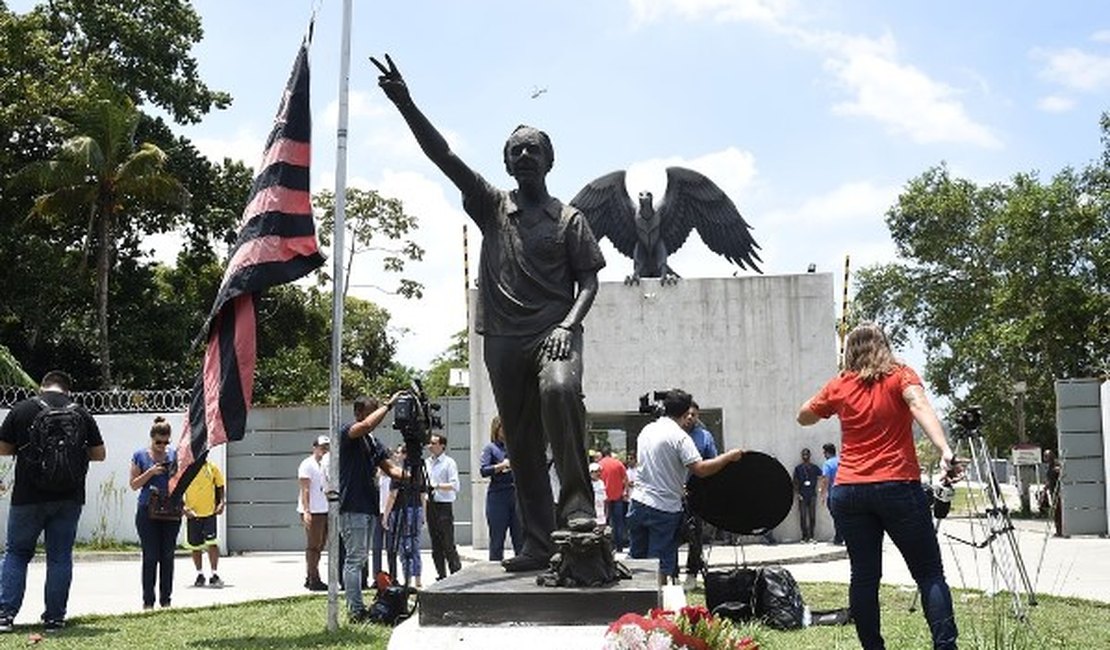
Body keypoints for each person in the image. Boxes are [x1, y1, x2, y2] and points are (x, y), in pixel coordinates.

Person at [373, 56, 606, 573]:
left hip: (554, 332)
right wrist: (406, 104)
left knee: (560, 391)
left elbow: (589, 282)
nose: (524, 155)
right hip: (502, 339)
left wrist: (568, 325)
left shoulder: (570, 219)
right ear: (506, 163)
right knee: (521, 441)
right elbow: (444, 156)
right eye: (516, 150)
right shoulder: (492, 206)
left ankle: (578, 512)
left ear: (549, 160)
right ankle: (539, 543)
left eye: (533, 149)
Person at [798, 322, 959, 650]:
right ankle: (945, 646)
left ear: (850, 351)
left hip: (849, 491)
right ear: (884, 345)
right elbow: (919, 404)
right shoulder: (901, 375)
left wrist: (831, 396)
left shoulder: (840, 385)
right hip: (897, 485)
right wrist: (944, 449)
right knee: (928, 573)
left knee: (864, 576)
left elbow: (803, 416)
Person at [0, 370, 105, 633]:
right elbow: (99, 453)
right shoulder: (80, 413)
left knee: (17, 553)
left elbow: (3, 448)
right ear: (68, 390)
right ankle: (55, 619)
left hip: (27, 496)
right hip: (69, 497)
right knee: (59, 557)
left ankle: (5, 615)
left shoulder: (22, 409)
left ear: (42, 387)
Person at [627, 389, 744, 585]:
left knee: (637, 562)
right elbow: (700, 469)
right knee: (660, 564)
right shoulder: (680, 437)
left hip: (638, 503)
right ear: (684, 413)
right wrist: (729, 457)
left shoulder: (647, 430)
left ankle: (633, 601)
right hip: (664, 508)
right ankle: (657, 602)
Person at [338, 393, 405, 623]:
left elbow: (392, 470)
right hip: (352, 505)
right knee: (355, 559)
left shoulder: (373, 442)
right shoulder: (347, 432)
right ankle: (355, 611)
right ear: (358, 413)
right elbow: (366, 425)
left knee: (360, 559)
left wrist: (415, 476)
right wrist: (388, 406)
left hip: (368, 506)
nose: (377, 417)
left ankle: (358, 607)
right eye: (371, 411)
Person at [129, 416, 182, 610]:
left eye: (166, 442)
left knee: (167, 555)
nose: (162, 446)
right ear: (152, 439)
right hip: (147, 510)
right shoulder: (140, 456)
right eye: (158, 442)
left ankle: (166, 600)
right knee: (150, 556)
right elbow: (134, 484)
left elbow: (181, 481)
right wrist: (151, 472)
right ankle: (148, 601)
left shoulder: (174, 455)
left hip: (170, 509)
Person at [682, 401, 718, 587]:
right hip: (671, 492)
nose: (690, 417)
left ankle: (692, 574)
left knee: (695, 535)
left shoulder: (704, 437)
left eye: (694, 414)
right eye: (687, 414)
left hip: (695, 493)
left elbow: (713, 463)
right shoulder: (672, 434)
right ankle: (670, 574)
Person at [479, 416, 522, 561]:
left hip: (516, 495)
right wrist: (501, 466)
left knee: (520, 538)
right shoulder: (491, 448)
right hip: (498, 496)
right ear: (496, 429)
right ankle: (494, 566)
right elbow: (484, 470)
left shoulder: (515, 447)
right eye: (503, 427)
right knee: (497, 539)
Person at [383, 446, 426, 588]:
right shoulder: (419, 472)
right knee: (415, 544)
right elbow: (423, 495)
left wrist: (386, 515)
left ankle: (407, 579)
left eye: (399, 452)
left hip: (402, 510)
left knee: (404, 545)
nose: (397, 455)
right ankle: (418, 578)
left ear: (405, 455)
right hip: (417, 508)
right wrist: (424, 514)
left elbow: (393, 495)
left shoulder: (399, 472)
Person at [183, 458, 226, 588]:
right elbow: (177, 489)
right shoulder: (186, 469)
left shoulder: (212, 467)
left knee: (212, 543)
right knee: (195, 546)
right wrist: (183, 508)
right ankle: (199, 574)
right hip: (193, 514)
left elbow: (220, 486)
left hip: (209, 513)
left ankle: (214, 574)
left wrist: (221, 503)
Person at [425, 433, 462, 579]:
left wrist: (437, 486)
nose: (430, 446)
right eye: (429, 443)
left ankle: (456, 574)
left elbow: (455, 485)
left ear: (442, 446)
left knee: (448, 542)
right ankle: (441, 575)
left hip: (444, 505)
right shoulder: (427, 462)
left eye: (434, 443)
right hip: (430, 504)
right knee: (435, 543)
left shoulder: (449, 462)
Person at [297, 435, 330, 591]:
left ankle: (310, 574)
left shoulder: (328, 463)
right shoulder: (307, 464)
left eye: (327, 447)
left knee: (321, 544)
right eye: (322, 447)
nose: (325, 450)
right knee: (313, 546)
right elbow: (305, 489)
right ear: (315, 448)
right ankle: (313, 579)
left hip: (326, 509)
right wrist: (306, 511)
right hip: (314, 510)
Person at [596, 445, 628, 552]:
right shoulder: (618, 463)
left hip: (604, 498)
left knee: (604, 522)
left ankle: (608, 546)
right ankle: (619, 546)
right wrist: (625, 492)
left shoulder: (599, 465)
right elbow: (625, 479)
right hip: (617, 496)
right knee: (619, 522)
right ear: (610, 453)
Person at [793, 448, 822, 542]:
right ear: (801, 456)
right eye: (804, 455)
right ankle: (804, 536)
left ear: (810, 456)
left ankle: (812, 536)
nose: (805, 456)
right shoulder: (798, 468)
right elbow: (795, 482)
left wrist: (820, 489)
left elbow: (822, 477)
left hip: (812, 494)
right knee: (803, 516)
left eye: (807, 454)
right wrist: (797, 494)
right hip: (802, 495)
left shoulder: (814, 467)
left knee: (812, 516)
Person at [819, 442, 843, 545]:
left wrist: (822, 494)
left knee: (836, 517)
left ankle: (838, 538)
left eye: (824, 452)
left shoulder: (827, 464)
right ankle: (842, 537)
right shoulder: (841, 461)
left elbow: (825, 479)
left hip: (834, 494)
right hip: (844, 492)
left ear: (827, 453)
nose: (824, 455)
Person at [1043, 449, 1064, 537]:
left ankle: (1061, 530)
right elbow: (1049, 479)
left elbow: (1061, 474)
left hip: (1058, 491)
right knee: (1055, 511)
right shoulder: (1049, 466)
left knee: (1059, 511)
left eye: (1047, 456)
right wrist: (1045, 488)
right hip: (1052, 491)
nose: (1045, 458)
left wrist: (1059, 471)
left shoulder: (1056, 464)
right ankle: (1058, 529)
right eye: (1045, 456)